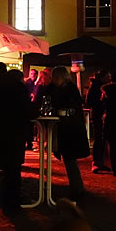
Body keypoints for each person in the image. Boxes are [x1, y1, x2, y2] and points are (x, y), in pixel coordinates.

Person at [38, 66, 88, 199]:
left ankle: (77, 188)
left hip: (69, 128)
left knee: (69, 157)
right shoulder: (60, 88)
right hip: (63, 127)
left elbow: (72, 105)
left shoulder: (69, 89)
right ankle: (76, 187)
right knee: (69, 158)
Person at [0, 68, 33, 213]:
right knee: (14, 169)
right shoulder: (19, 90)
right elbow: (27, 110)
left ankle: (7, 201)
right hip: (15, 132)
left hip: (2, 133)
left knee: (7, 168)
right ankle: (13, 202)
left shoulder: (0, 90)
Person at [86, 70, 109, 173]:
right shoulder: (96, 87)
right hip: (98, 114)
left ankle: (100, 162)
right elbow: (89, 101)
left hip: (99, 114)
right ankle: (96, 162)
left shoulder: (99, 87)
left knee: (102, 138)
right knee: (99, 137)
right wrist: (100, 103)